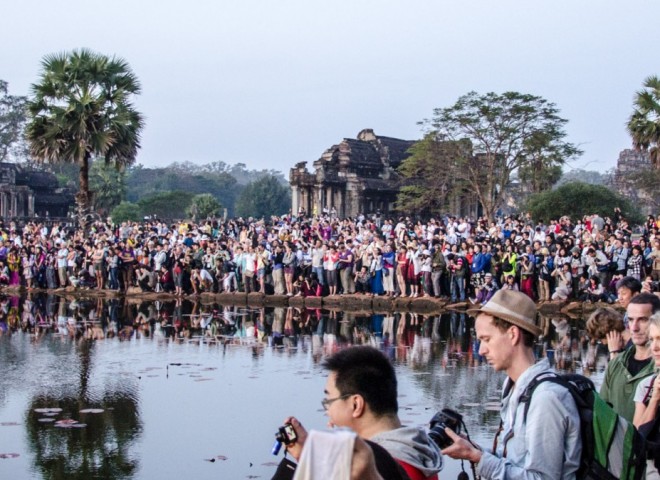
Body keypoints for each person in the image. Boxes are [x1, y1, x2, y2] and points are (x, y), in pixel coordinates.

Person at [442, 289, 581, 479]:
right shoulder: (517, 387)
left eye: (486, 339)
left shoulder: (546, 398)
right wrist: (473, 451)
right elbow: (514, 462)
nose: (481, 350)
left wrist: (480, 459)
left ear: (513, 334)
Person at [283, 346, 442, 480]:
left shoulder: (376, 467)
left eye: (329, 401)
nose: (328, 412)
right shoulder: (416, 448)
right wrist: (305, 456)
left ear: (355, 404)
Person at [600, 292, 660, 421]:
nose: (634, 328)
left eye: (643, 320)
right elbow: (602, 411)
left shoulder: (657, 368)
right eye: (631, 319)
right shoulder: (615, 363)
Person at [632, 312, 660, 479]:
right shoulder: (647, 386)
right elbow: (636, 437)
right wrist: (655, 399)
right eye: (652, 339)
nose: (655, 347)